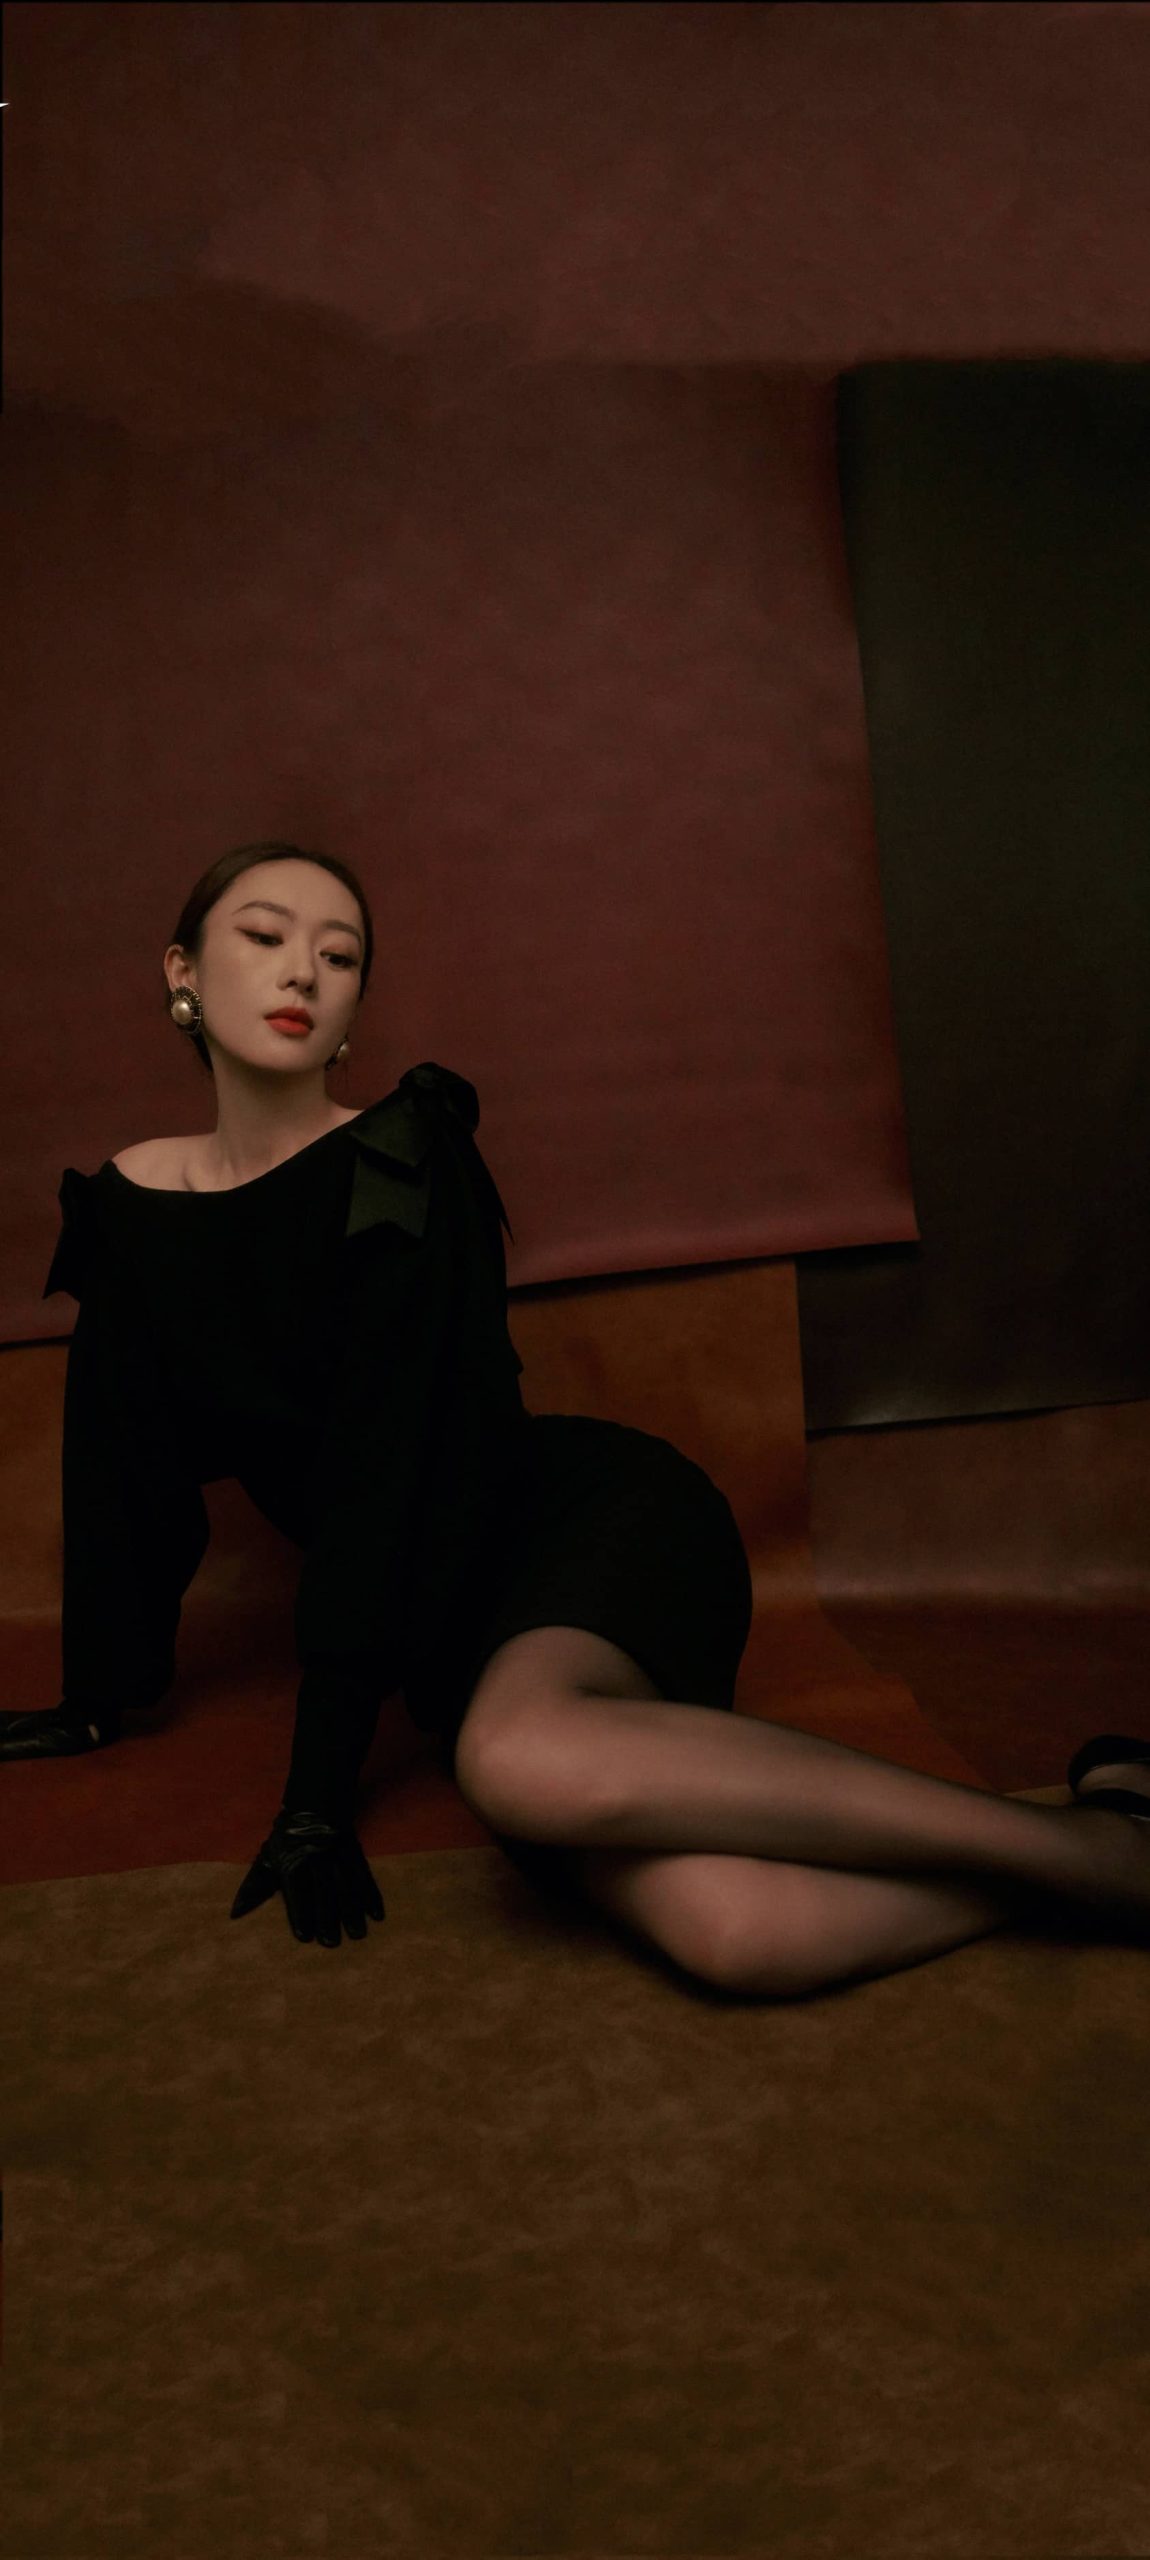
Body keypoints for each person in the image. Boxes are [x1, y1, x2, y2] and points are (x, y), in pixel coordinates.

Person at [4, 842, 1149, 1997]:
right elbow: (120, 1465)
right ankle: (1091, 1843)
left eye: (338, 955)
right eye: (263, 936)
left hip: (582, 1526)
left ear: (352, 1009)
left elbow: (384, 1475)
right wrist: (97, 1695)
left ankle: (1105, 1861)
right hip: (449, 1618)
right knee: (739, 1936)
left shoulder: (400, 1161)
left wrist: (316, 1797)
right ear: (181, 969)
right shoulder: (130, 1205)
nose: (301, 970)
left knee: (514, 1757)